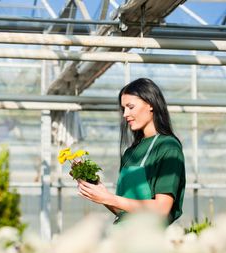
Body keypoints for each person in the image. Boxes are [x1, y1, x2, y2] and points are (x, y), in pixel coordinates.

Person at [77, 78, 186, 225]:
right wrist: (101, 193)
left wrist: (109, 198)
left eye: (130, 107)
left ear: (151, 104)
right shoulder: (130, 153)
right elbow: (124, 212)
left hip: (146, 240)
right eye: (123, 109)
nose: (125, 114)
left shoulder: (168, 147)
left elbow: (161, 209)